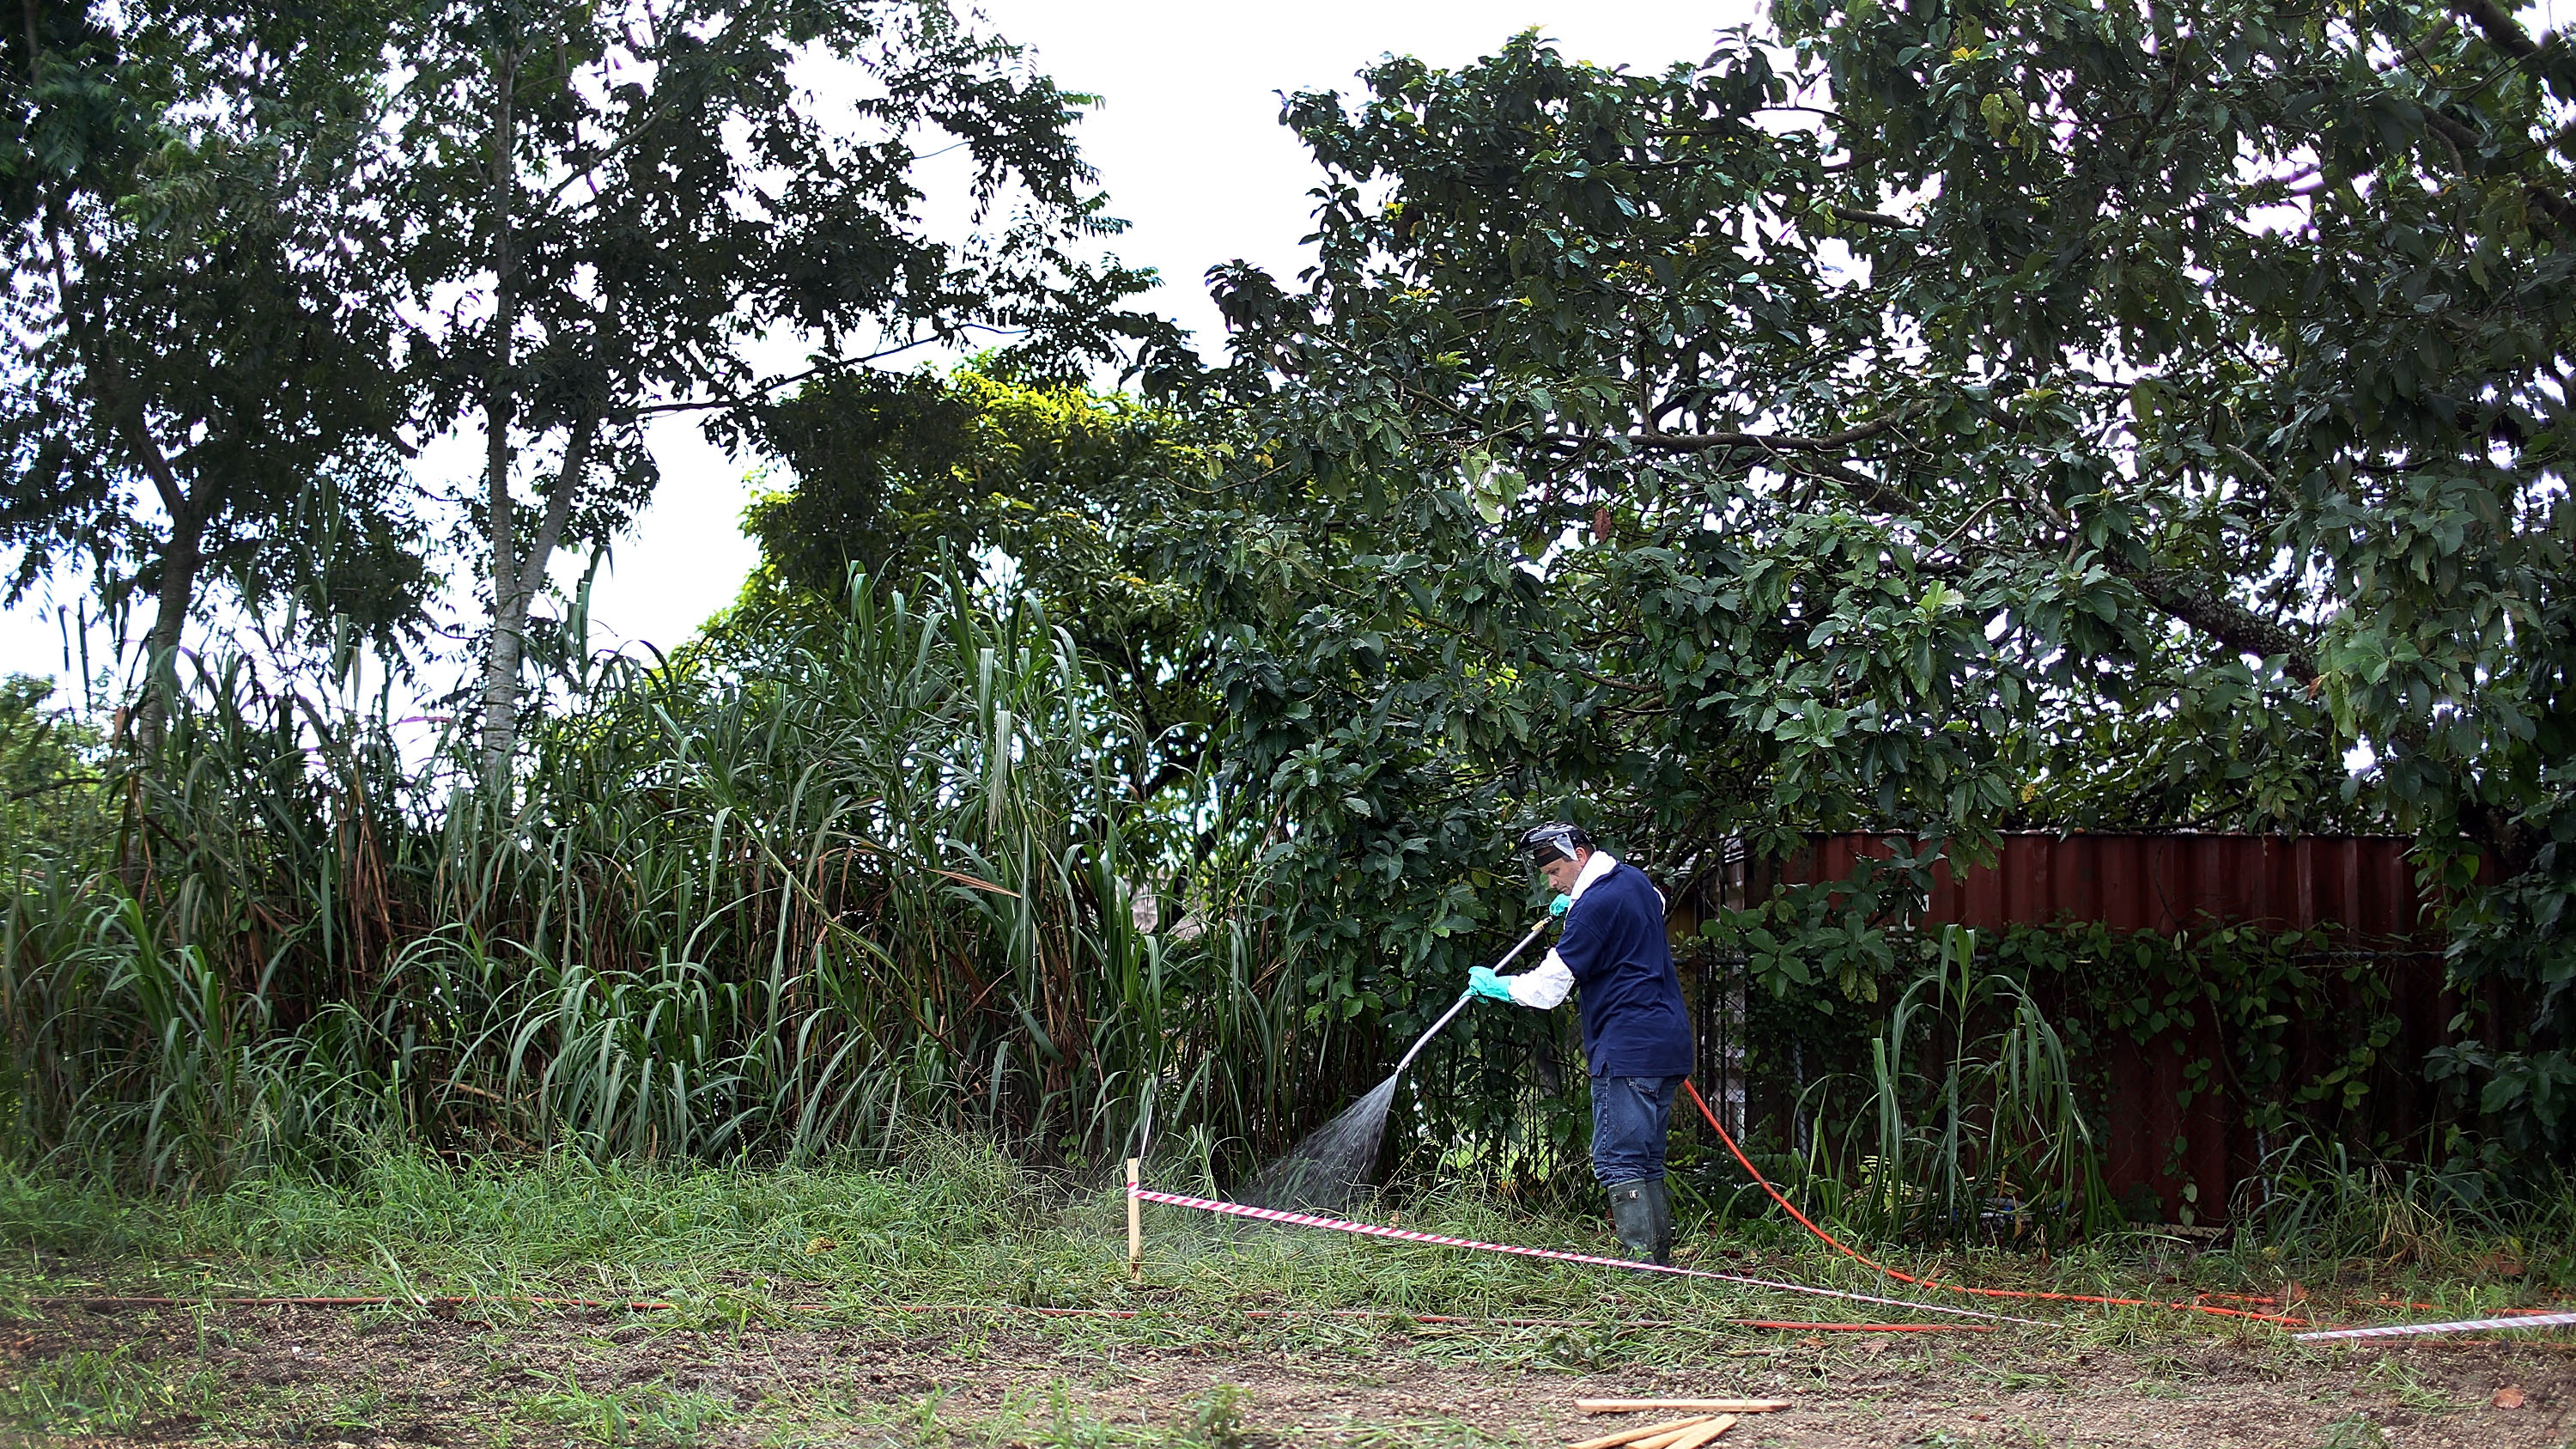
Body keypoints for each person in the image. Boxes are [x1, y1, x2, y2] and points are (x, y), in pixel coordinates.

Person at [1466, 821, 1692, 1264]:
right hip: (1667, 1043)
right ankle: (1657, 1264)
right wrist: (1574, 903)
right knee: (1645, 1160)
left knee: (1619, 1161)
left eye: (1554, 872)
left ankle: (1640, 1271)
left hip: (1626, 1048)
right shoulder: (1633, 881)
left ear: (1581, 856)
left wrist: (1499, 986)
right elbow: (1656, 904)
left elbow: (1549, 990)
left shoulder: (1595, 907)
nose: (1550, 881)